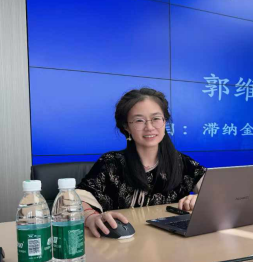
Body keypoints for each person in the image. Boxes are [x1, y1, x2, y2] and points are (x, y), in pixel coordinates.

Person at [76, 88, 206, 238]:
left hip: (173, 242)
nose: (149, 127)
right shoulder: (111, 163)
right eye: (139, 120)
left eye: (156, 118)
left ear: (164, 121)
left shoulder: (182, 163)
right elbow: (73, 199)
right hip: (122, 244)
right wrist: (90, 216)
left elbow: (220, 192)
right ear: (126, 127)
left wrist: (202, 199)